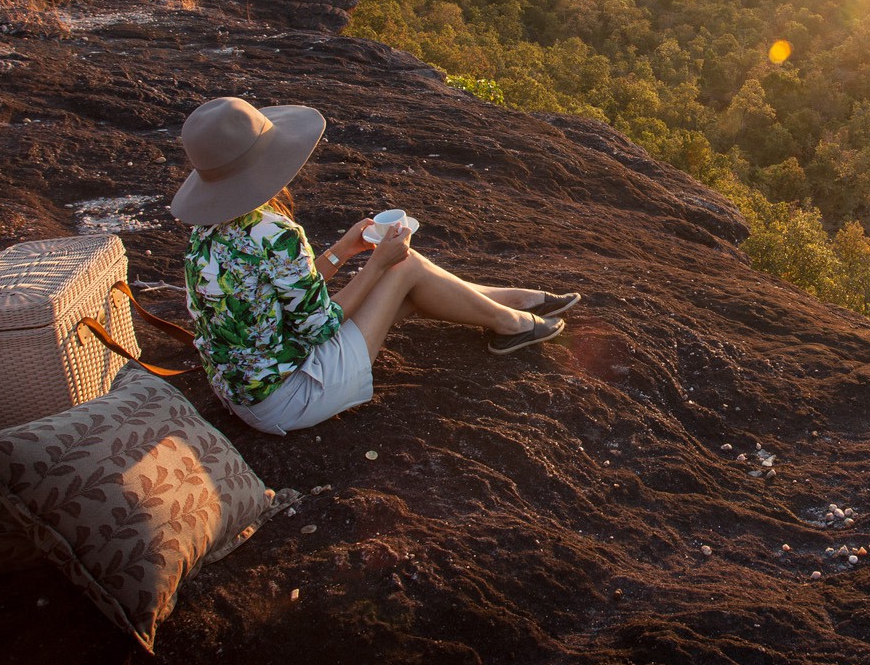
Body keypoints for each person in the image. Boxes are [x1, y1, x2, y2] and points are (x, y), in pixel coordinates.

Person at [169, 96, 576, 434]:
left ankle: (511, 305)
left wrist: (343, 250)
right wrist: (377, 264)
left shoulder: (207, 232)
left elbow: (289, 296)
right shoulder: (274, 233)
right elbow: (320, 325)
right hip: (288, 397)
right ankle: (512, 322)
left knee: (410, 281)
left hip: (242, 391)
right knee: (406, 268)